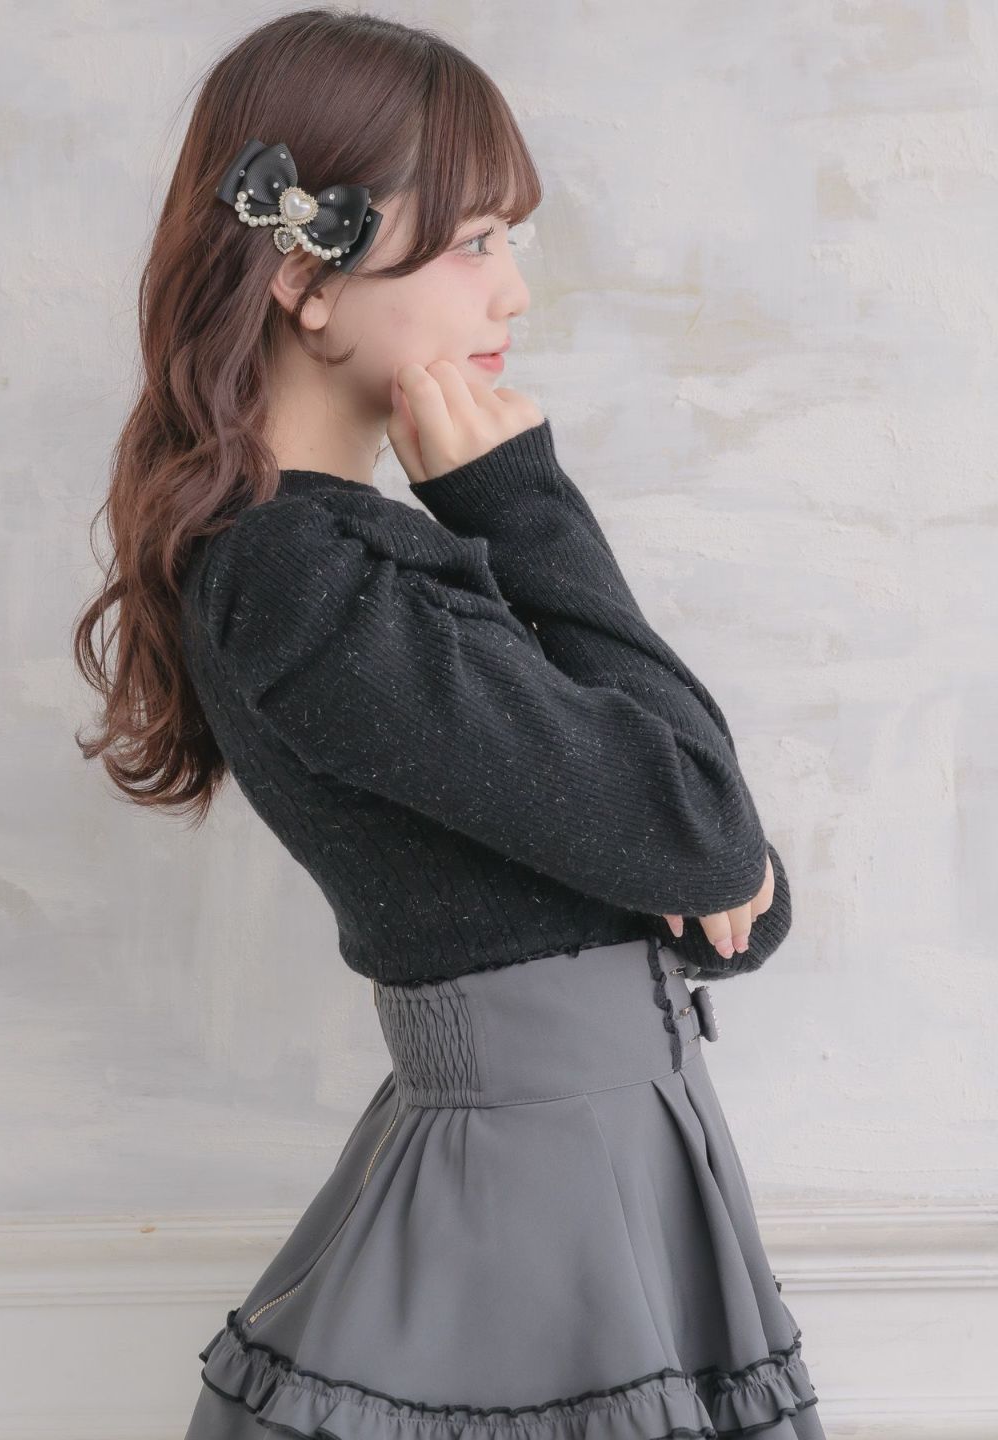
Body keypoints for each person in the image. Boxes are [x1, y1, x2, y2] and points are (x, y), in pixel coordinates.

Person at [73, 10, 826, 1438]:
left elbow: (732, 896)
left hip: (597, 1174)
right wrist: (518, 502)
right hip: (535, 1209)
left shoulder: (346, 560)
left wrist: (710, 854)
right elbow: (707, 834)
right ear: (304, 273)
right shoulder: (305, 581)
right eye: (477, 240)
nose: (514, 292)